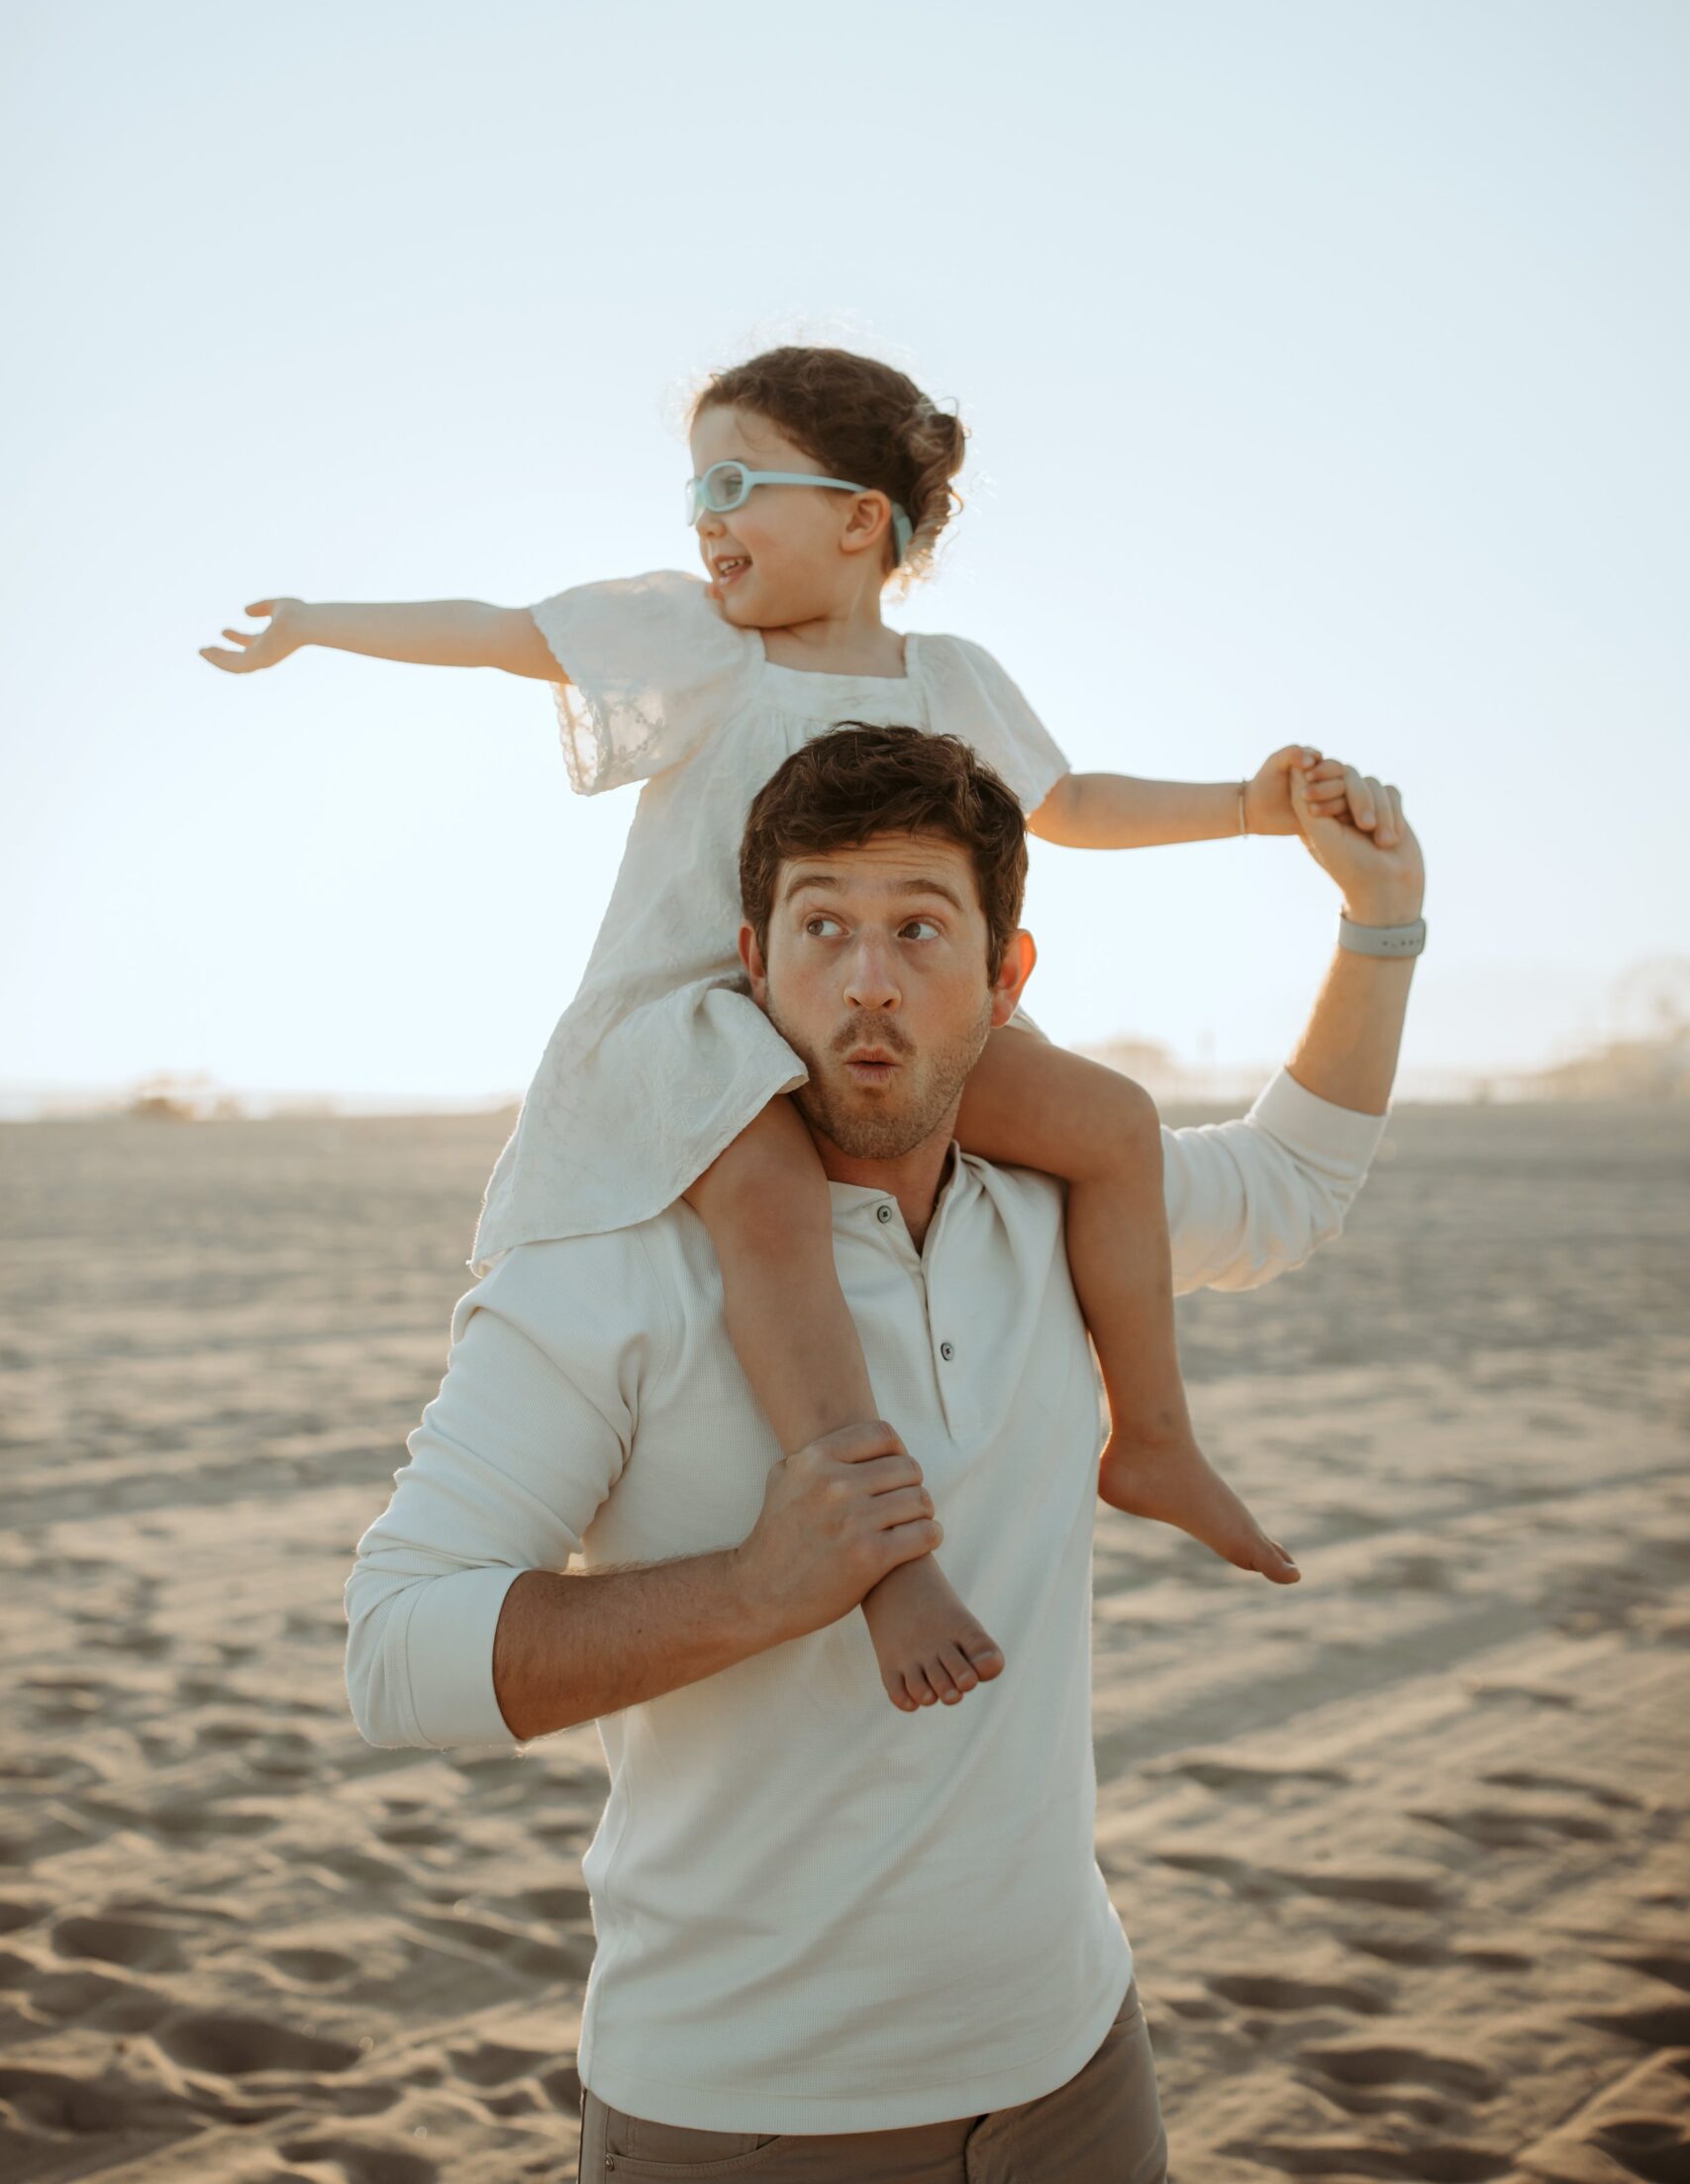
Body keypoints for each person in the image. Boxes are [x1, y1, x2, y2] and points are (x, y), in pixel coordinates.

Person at [206, 343, 1383, 1711]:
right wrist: (312, 619)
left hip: (888, 1022)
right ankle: (882, 1559)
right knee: (767, 1204)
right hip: (704, 1023)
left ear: (858, 516)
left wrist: (1250, 804)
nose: (704, 516)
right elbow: (506, 629)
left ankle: (1157, 1438)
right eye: (693, 488)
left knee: (1110, 1121)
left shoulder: (953, 677)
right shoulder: (699, 647)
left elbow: (1073, 803)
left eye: (734, 480)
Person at [345, 721, 1427, 2181]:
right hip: (742, 2114)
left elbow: (1291, 1182)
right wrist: (756, 1590)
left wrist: (1380, 919)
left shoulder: (1059, 1215)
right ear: (752, 964)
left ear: (1006, 979)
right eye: (822, 929)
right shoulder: (609, 1270)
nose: (866, 980)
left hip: (1075, 2069)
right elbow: (394, 1652)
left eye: (920, 930)